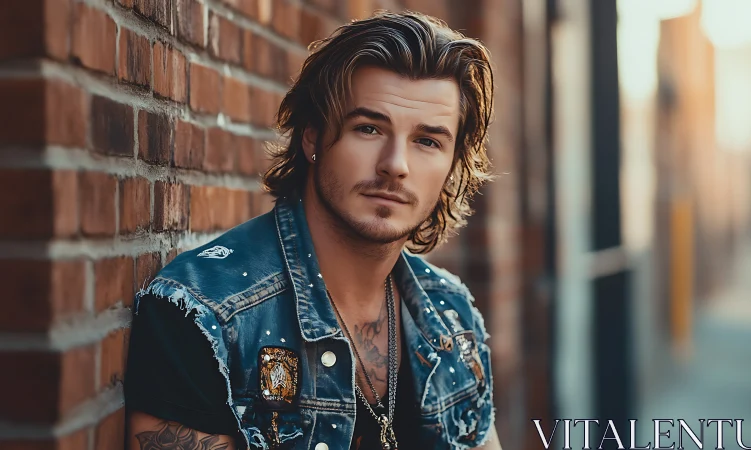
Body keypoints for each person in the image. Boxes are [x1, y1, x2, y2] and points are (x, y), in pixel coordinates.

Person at [124, 10, 500, 450]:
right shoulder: (204, 316)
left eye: (427, 141)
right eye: (368, 128)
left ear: (453, 166)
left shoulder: (450, 314)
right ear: (312, 137)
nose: (395, 165)